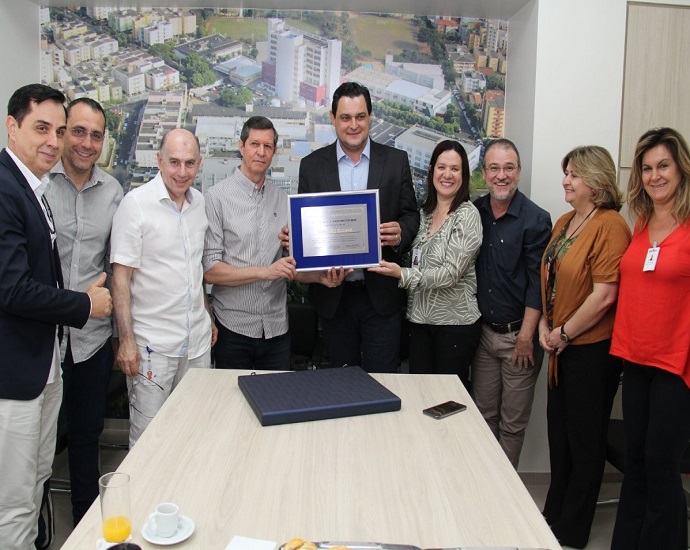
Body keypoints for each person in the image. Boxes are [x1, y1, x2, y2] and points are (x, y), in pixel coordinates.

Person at [0, 84, 112, 549]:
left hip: (49, 362)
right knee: (14, 500)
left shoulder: (33, 187)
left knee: (38, 476)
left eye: (57, 130)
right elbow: (12, 288)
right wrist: (85, 305)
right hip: (17, 371)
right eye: (42, 128)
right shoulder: (7, 187)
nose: (54, 140)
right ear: (12, 126)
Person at [538, 145, 631, 548]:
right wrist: (545, 323)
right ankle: (554, 516)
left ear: (595, 180)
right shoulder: (565, 222)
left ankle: (572, 531)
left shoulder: (611, 225)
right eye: (566, 173)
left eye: (573, 174)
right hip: (560, 346)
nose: (566, 181)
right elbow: (552, 282)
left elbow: (605, 295)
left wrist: (564, 333)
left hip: (589, 351)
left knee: (584, 443)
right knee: (560, 438)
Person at [298, 82, 419, 373]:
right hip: (334, 296)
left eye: (360, 116)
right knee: (341, 385)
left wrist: (401, 231)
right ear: (333, 119)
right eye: (346, 117)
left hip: (381, 297)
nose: (354, 125)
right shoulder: (312, 166)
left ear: (370, 117)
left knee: (385, 381)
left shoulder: (396, 161)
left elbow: (412, 215)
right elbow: (306, 226)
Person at [43, 97, 123, 527]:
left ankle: (85, 526)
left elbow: (116, 264)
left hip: (90, 338)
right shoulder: (40, 185)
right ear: (63, 132)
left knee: (86, 436)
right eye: (78, 131)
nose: (87, 143)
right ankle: (35, 526)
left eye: (96, 135)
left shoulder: (113, 192)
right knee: (38, 440)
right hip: (42, 338)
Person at [610, 128, 690, 550]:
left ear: (681, 169)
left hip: (676, 365)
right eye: (647, 168)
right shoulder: (642, 222)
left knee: (661, 468)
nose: (655, 176)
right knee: (637, 466)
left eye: (663, 166)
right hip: (635, 358)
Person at [111, 128, 214, 448]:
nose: (181, 172)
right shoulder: (135, 205)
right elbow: (120, 279)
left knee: (195, 430)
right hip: (152, 348)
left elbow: (194, 270)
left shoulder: (200, 205)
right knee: (148, 441)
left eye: (189, 163)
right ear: (158, 161)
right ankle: (146, 499)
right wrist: (126, 340)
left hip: (197, 343)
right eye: (173, 162)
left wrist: (207, 316)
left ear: (199, 164)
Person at [369, 140, 482, 388]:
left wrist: (402, 274)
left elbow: (451, 274)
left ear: (464, 175)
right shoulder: (424, 213)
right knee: (422, 398)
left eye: (455, 169)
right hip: (420, 323)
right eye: (442, 167)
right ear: (432, 170)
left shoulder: (467, 215)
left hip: (454, 326)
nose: (447, 175)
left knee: (450, 403)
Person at [472, 138, 552, 469]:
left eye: (508, 168)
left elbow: (539, 284)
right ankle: (484, 490)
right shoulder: (474, 212)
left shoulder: (535, 220)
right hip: (483, 338)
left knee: (512, 426)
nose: (501, 176)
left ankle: (503, 503)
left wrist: (526, 336)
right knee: (482, 418)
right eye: (494, 168)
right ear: (484, 173)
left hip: (519, 338)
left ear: (518, 172)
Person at [203, 116, 296, 370]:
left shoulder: (284, 200)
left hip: (277, 329)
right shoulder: (216, 198)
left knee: (277, 404)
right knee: (233, 407)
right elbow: (210, 271)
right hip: (233, 330)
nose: (261, 152)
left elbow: (293, 266)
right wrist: (265, 272)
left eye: (267, 146)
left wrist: (321, 276)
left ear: (274, 153)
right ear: (241, 146)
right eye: (254, 144)